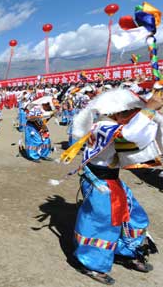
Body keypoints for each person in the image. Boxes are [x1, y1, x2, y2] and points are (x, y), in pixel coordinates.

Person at [63, 88, 160, 285]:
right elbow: (133, 132)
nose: (134, 116)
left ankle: (125, 251)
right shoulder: (103, 126)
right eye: (130, 113)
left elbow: (151, 138)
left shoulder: (113, 124)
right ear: (117, 112)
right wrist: (150, 108)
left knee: (133, 216)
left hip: (111, 181)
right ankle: (91, 263)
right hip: (99, 182)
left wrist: (157, 115)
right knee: (101, 223)